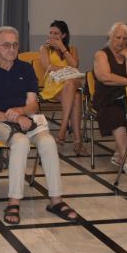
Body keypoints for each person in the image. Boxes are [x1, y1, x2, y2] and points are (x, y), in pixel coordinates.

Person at [0, 26, 78, 224]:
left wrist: (21, 112)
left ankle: (56, 200)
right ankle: (14, 201)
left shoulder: (25, 69)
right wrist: (15, 117)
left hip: (26, 119)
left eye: (15, 45)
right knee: (21, 142)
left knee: (48, 142)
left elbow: (33, 104)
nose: (11, 49)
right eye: (6, 45)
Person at [93, 22, 127, 176]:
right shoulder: (101, 54)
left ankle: (118, 154)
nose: (121, 42)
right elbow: (105, 77)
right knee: (118, 117)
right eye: (118, 37)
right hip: (106, 98)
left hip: (125, 98)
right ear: (110, 37)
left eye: (125, 38)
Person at [38, 20, 86, 155]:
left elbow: (74, 64)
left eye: (56, 33)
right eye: (50, 32)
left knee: (71, 83)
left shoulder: (72, 49)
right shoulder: (44, 48)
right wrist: (67, 69)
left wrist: (62, 48)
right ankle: (77, 141)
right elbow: (48, 67)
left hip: (69, 83)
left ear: (63, 35)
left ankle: (62, 130)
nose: (52, 36)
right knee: (76, 96)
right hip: (53, 85)